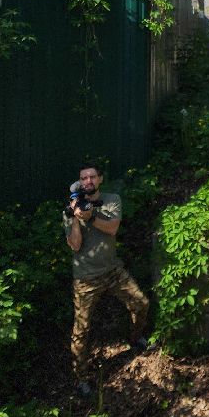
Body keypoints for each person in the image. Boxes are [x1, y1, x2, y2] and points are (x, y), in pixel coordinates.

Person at [64, 162, 151, 396]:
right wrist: (75, 217)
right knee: (81, 331)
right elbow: (75, 245)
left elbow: (112, 228)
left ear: (100, 179)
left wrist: (91, 217)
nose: (88, 181)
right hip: (85, 279)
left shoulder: (111, 200)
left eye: (92, 177)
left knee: (141, 302)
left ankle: (135, 337)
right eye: (83, 178)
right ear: (79, 182)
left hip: (113, 271)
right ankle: (81, 379)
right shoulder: (71, 208)